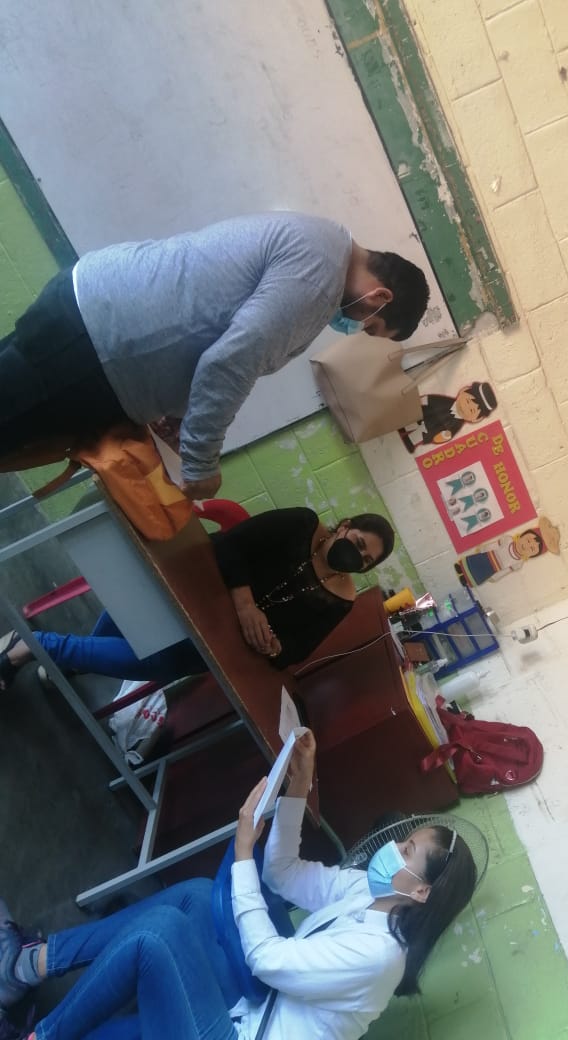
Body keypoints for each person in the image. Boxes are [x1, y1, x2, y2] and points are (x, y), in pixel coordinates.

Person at [0, 730, 478, 1040]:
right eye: (404, 840)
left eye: (407, 851)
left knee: (158, 933)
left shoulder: (380, 957)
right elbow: (284, 874)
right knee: (193, 898)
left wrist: (245, 851)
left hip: (249, 1029)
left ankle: (40, 1034)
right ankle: (30, 965)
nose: (392, 847)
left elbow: (268, 959)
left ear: (421, 892)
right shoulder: (366, 892)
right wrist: (298, 787)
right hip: (256, 1006)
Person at [0, 212, 430, 499]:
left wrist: (180, 410)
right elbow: (233, 361)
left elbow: (214, 321)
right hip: (94, 351)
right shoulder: (320, 277)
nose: (357, 328)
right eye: (371, 325)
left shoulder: (322, 244)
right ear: (380, 296)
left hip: (93, 333)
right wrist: (201, 464)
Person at [0, 507, 395, 691]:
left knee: (163, 662)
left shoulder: (342, 600)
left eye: (365, 560)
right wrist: (245, 604)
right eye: (359, 543)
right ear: (345, 526)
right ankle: (33, 647)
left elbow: (298, 650)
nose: (356, 556)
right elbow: (228, 545)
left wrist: (272, 644)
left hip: (222, 643)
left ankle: (56, 653)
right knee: (143, 624)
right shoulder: (301, 524)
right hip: (197, 590)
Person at [398, 380, 496, 452]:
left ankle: (410, 441)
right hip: (427, 413)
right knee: (414, 421)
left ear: (476, 419)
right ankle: (404, 426)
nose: (466, 407)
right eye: (467, 401)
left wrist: (445, 436)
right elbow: (431, 399)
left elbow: (448, 434)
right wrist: (421, 401)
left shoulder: (457, 425)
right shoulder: (445, 401)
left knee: (420, 434)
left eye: (472, 410)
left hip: (432, 429)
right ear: (463, 390)